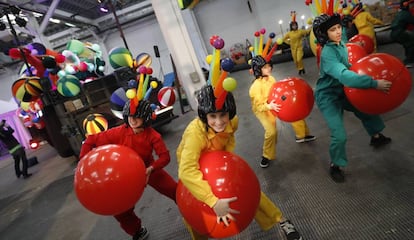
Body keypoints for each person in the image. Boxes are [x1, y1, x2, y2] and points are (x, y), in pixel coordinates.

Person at [176, 84, 303, 240]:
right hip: (193, 164)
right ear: (204, 116)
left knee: (248, 188)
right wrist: (213, 201)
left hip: (219, 160)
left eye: (222, 115)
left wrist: (228, 164)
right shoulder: (195, 134)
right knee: (191, 206)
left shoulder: (232, 121)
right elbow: (186, 170)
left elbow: (229, 139)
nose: (219, 122)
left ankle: (281, 220)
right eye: (212, 116)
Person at [79, 100, 177, 240]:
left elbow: (165, 157)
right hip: (123, 174)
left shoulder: (153, 135)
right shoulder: (120, 131)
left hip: (146, 168)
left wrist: (151, 168)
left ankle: (193, 210)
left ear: (146, 118)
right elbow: (91, 140)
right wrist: (84, 161)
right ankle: (137, 231)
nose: (133, 120)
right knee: (120, 210)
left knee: (174, 189)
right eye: (130, 116)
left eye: (137, 116)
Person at [312, 13, 392, 183]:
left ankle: (376, 136)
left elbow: (348, 44)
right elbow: (345, 76)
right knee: (339, 134)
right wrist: (373, 83)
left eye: (339, 27)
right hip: (328, 96)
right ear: (324, 34)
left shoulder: (340, 41)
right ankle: (336, 165)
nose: (338, 32)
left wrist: (351, 30)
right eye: (333, 30)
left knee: (365, 108)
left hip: (342, 90)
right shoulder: (327, 53)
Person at [249, 55, 315, 168]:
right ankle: (266, 156)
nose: (269, 68)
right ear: (258, 70)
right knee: (271, 132)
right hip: (262, 110)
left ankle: (303, 135)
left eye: (269, 66)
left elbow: (277, 91)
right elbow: (259, 106)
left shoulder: (271, 78)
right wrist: (269, 106)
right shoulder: (255, 87)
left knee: (295, 111)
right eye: (265, 67)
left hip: (274, 104)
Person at [389, 0, 414, 67]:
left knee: (407, 43)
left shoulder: (401, 13)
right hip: (399, 33)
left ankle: (409, 59)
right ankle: (408, 61)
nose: (412, 6)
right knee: (411, 43)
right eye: (411, 5)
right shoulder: (406, 14)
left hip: (394, 33)